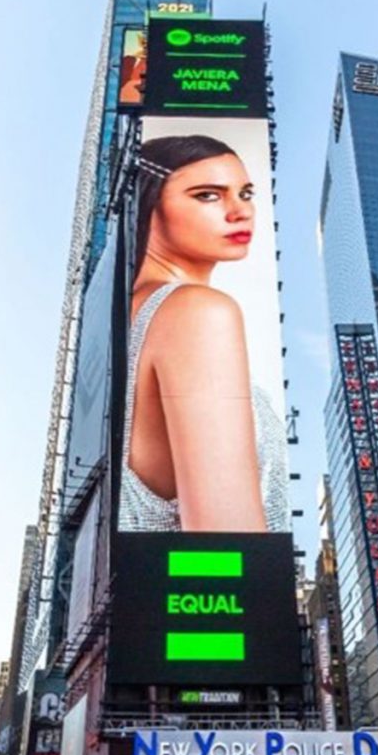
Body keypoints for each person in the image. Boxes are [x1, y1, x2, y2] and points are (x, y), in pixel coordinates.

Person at [120, 134, 288, 533]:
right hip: (211, 594)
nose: (240, 211)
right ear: (150, 201)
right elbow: (227, 540)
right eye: (208, 195)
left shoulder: (126, 316)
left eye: (246, 193)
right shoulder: (196, 313)